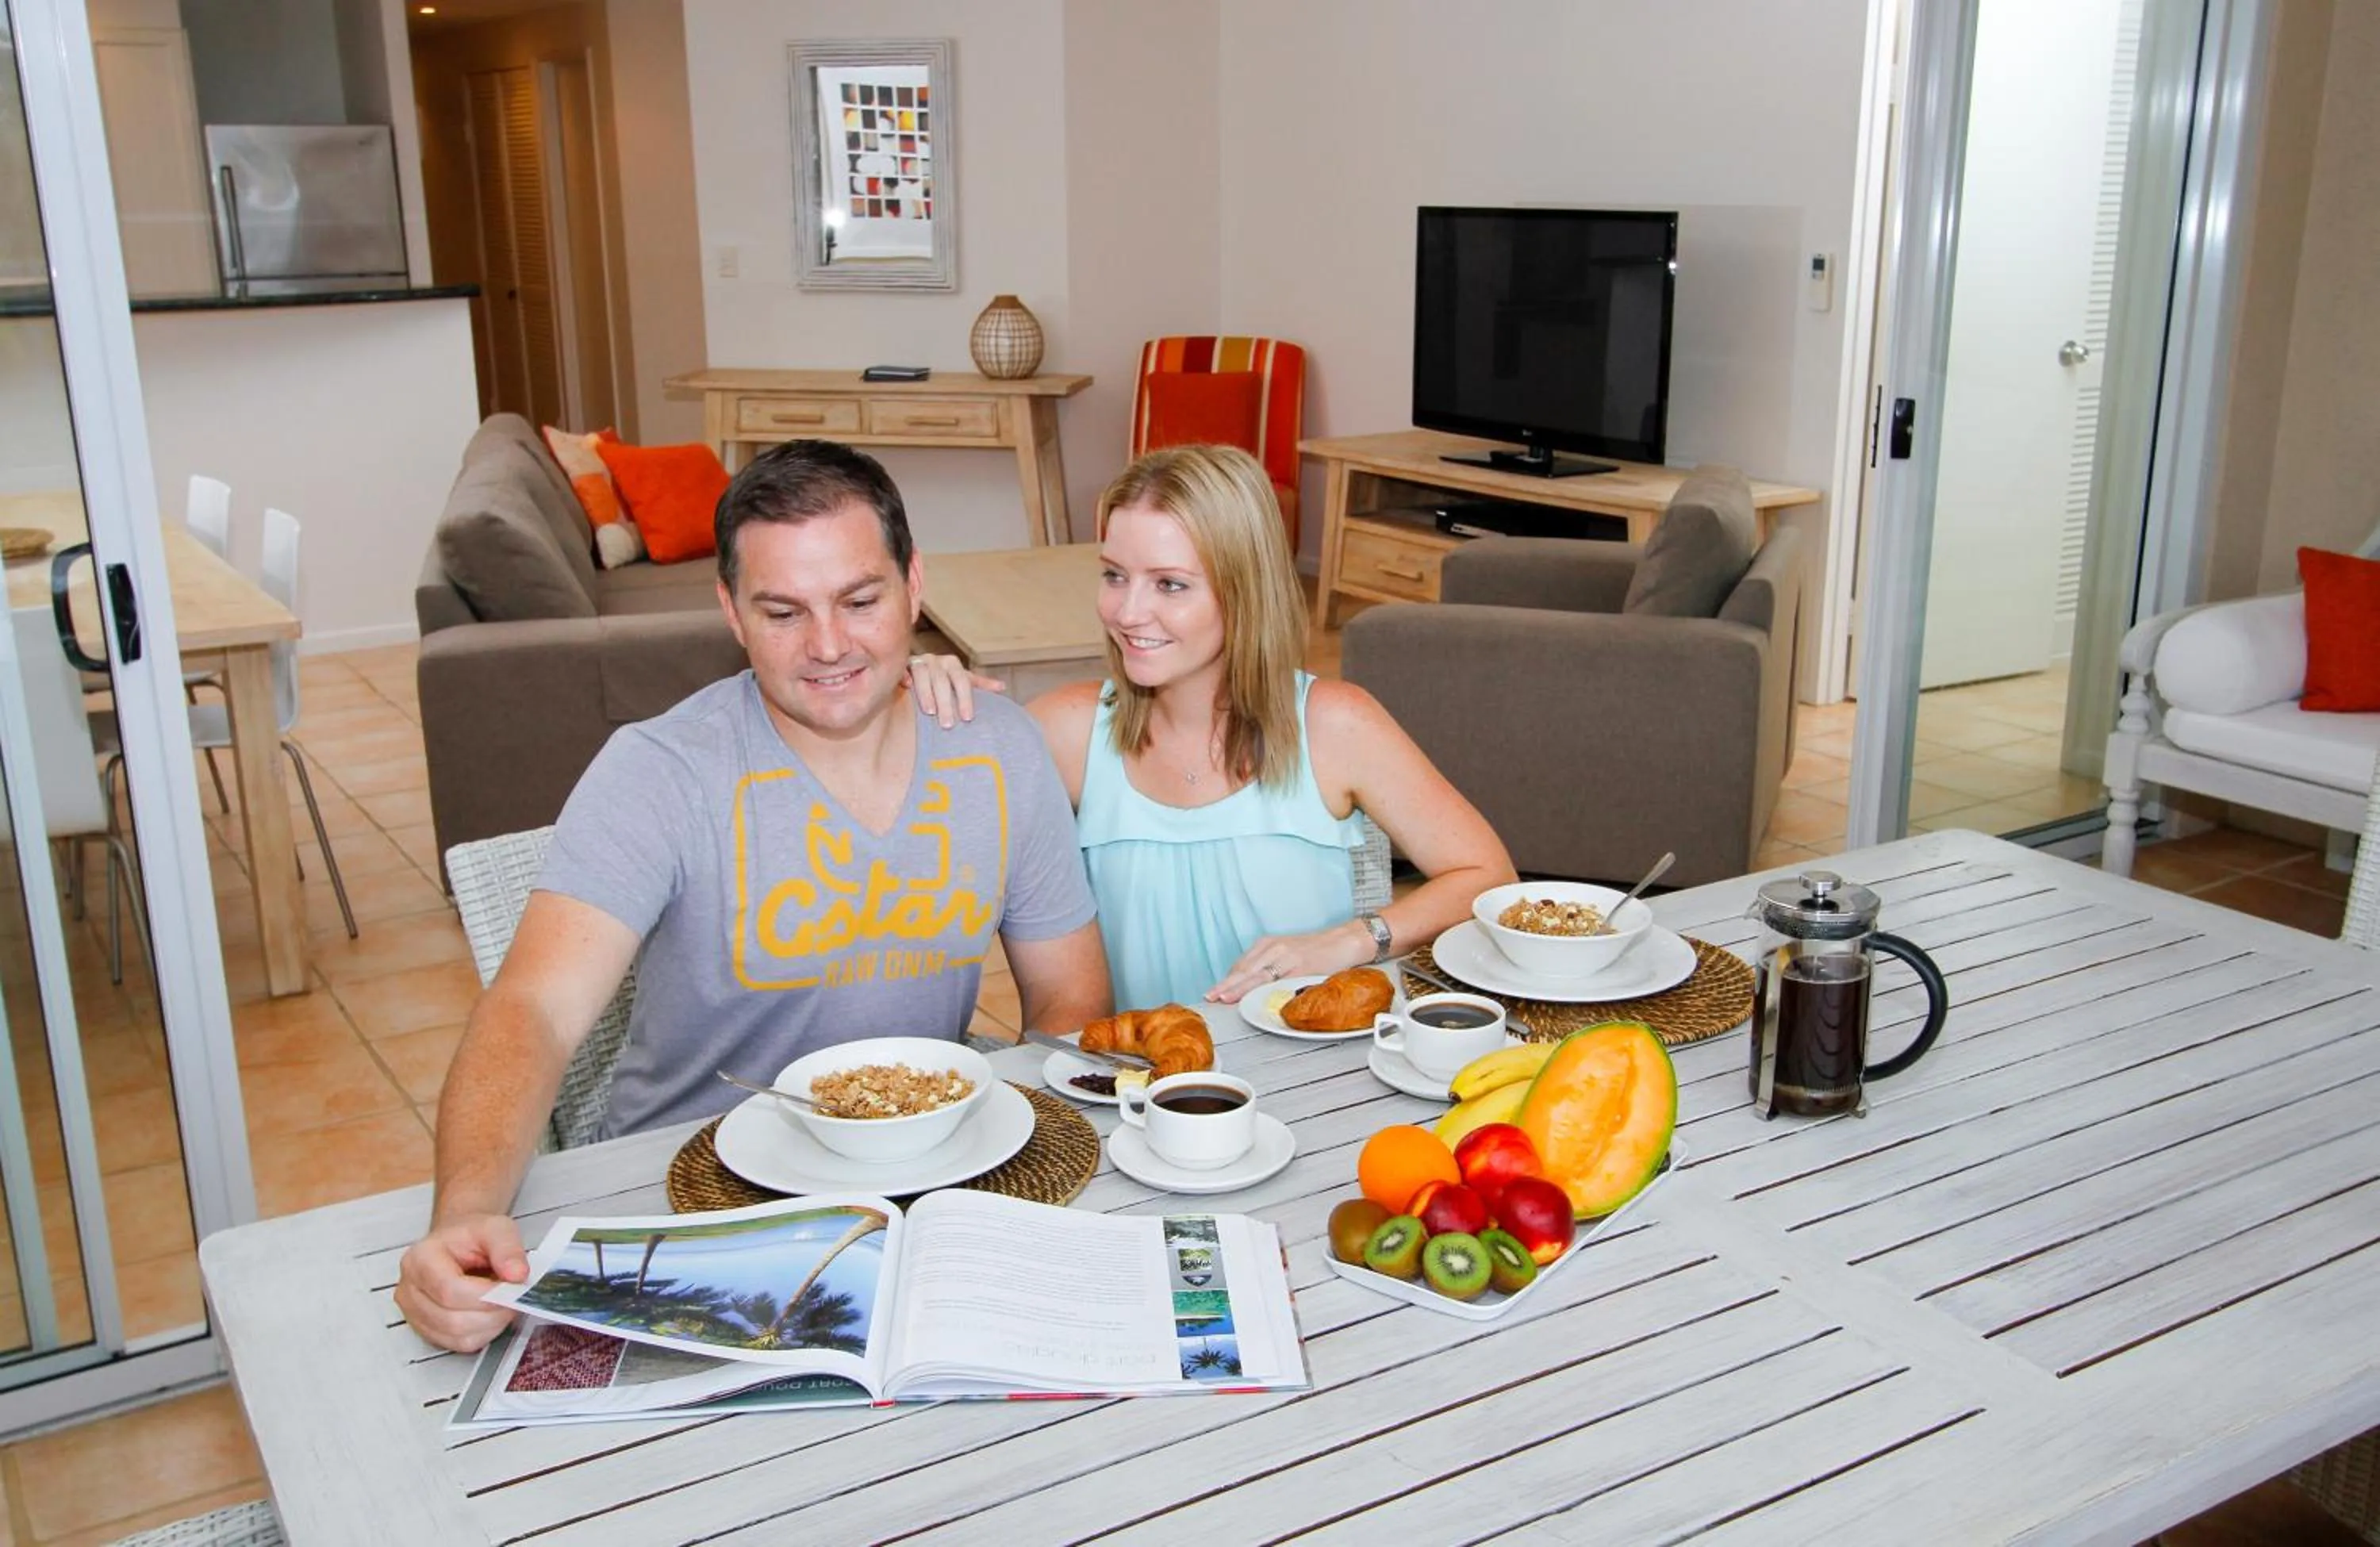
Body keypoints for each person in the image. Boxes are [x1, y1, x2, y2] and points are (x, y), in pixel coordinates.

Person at [397, 440, 1111, 1353]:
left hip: (918, 1186)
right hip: (683, 1204)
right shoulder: (660, 771)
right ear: (732, 611)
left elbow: (1070, 996)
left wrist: (1014, 1151)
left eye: (861, 601)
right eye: (783, 612)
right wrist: (463, 1214)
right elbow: (532, 1007)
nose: (829, 645)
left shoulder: (998, 747)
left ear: (913, 586)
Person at [913, 443, 1512, 1009]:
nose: (1128, 612)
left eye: (1170, 584)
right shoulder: (1070, 731)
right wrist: (907, 692)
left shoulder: (1336, 724)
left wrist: (1356, 939)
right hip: (1140, 1072)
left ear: (1244, 590)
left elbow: (1487, 879)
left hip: (1312, 1066)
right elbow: (906, 842)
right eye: (1115, 575)